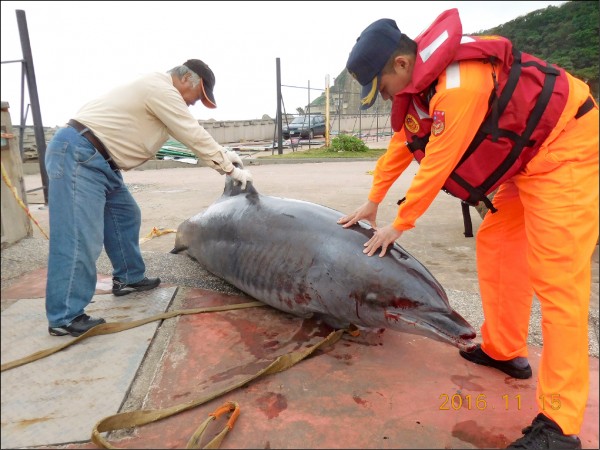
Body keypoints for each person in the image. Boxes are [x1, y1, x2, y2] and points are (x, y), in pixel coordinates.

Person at [339, 9, 598, 449]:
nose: (383, 97)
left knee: (558, 281)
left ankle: (560, 424)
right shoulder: (423, 84)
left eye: (380, 87)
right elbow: (406, 140)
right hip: (525, 162)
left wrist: (398, 226)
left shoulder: (460, 86)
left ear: (400, 65)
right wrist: (373, 200)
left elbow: (437, 164)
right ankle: (504, 350)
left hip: (566, 147)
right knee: (497, 246)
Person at [45, 59, 253, 338]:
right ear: (186, 79)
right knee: (79, 237)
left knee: (125, 215)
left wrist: (224, 154)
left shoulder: (157, 96)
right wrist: (227, 168)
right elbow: (191, 131)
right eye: (197, 98)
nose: (193, 105)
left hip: (101, 161)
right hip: (79, 156)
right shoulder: (161, 89)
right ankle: (65, 316)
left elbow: (183, 141)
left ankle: (128, 278)